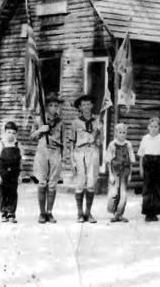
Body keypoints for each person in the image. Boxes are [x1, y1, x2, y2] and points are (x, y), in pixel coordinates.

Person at [30, 92, 64, 224]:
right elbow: (31, 136)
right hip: (42, 152)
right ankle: (42, 213)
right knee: (42, 182)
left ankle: (49, 212)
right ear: (46, 106)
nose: (53, 108)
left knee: (52, 184)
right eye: (50, 105)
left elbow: (64, 140)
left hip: (55, 152)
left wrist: (64, 156)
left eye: (56, 105)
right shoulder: (39, 120)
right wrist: (40, 130)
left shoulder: (60, 122)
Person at [71, 94, 102, 223]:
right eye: (83, 105)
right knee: (80, 182)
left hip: (92, 151)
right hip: (79, 152)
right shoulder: (76, 122)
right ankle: (79, 213)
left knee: (91, 183)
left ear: (92, 105)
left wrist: (99, 133)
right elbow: (72, 141)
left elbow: (100, 141)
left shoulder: (97, 121)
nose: (86, 107)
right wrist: (72, 157)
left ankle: (88, 213)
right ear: (80, 107)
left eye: (88, 104)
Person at [138, 117, 160, 222]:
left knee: (157, 189)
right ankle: (147, 213)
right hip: (147, 163)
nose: (153, 129)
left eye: (156, 127)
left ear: (159, 127)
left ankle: (155, 212)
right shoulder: (145, 138)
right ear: (148, 127)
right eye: (151, 126)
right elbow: (141, 155)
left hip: (158, 163)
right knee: (147, 189)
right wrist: (141, 168)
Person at [105, 123, 136, 223]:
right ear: (116, 133)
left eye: (124, 132)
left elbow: (131, 161)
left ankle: (120, 214)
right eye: (120, 132)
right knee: (114, 193)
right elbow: (108, 161)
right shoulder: (112, 144)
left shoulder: (128, 145)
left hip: (125, 172)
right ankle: (114, 212)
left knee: (123, 194)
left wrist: (130, 174)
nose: (122, 134)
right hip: (114, 171)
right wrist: (110, 174)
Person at [0, 121, 23, 223]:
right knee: (3, 193)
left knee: (13, 193)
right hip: (3, 173)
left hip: (14, 174)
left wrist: (20, 175)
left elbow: (20, 161)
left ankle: (11, 213)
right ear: (5, 132)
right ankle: (3, 213)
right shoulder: (0, 144)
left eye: (13, 133)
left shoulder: (18, 145)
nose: (11, 135)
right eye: (9, 132)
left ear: (16, 134)